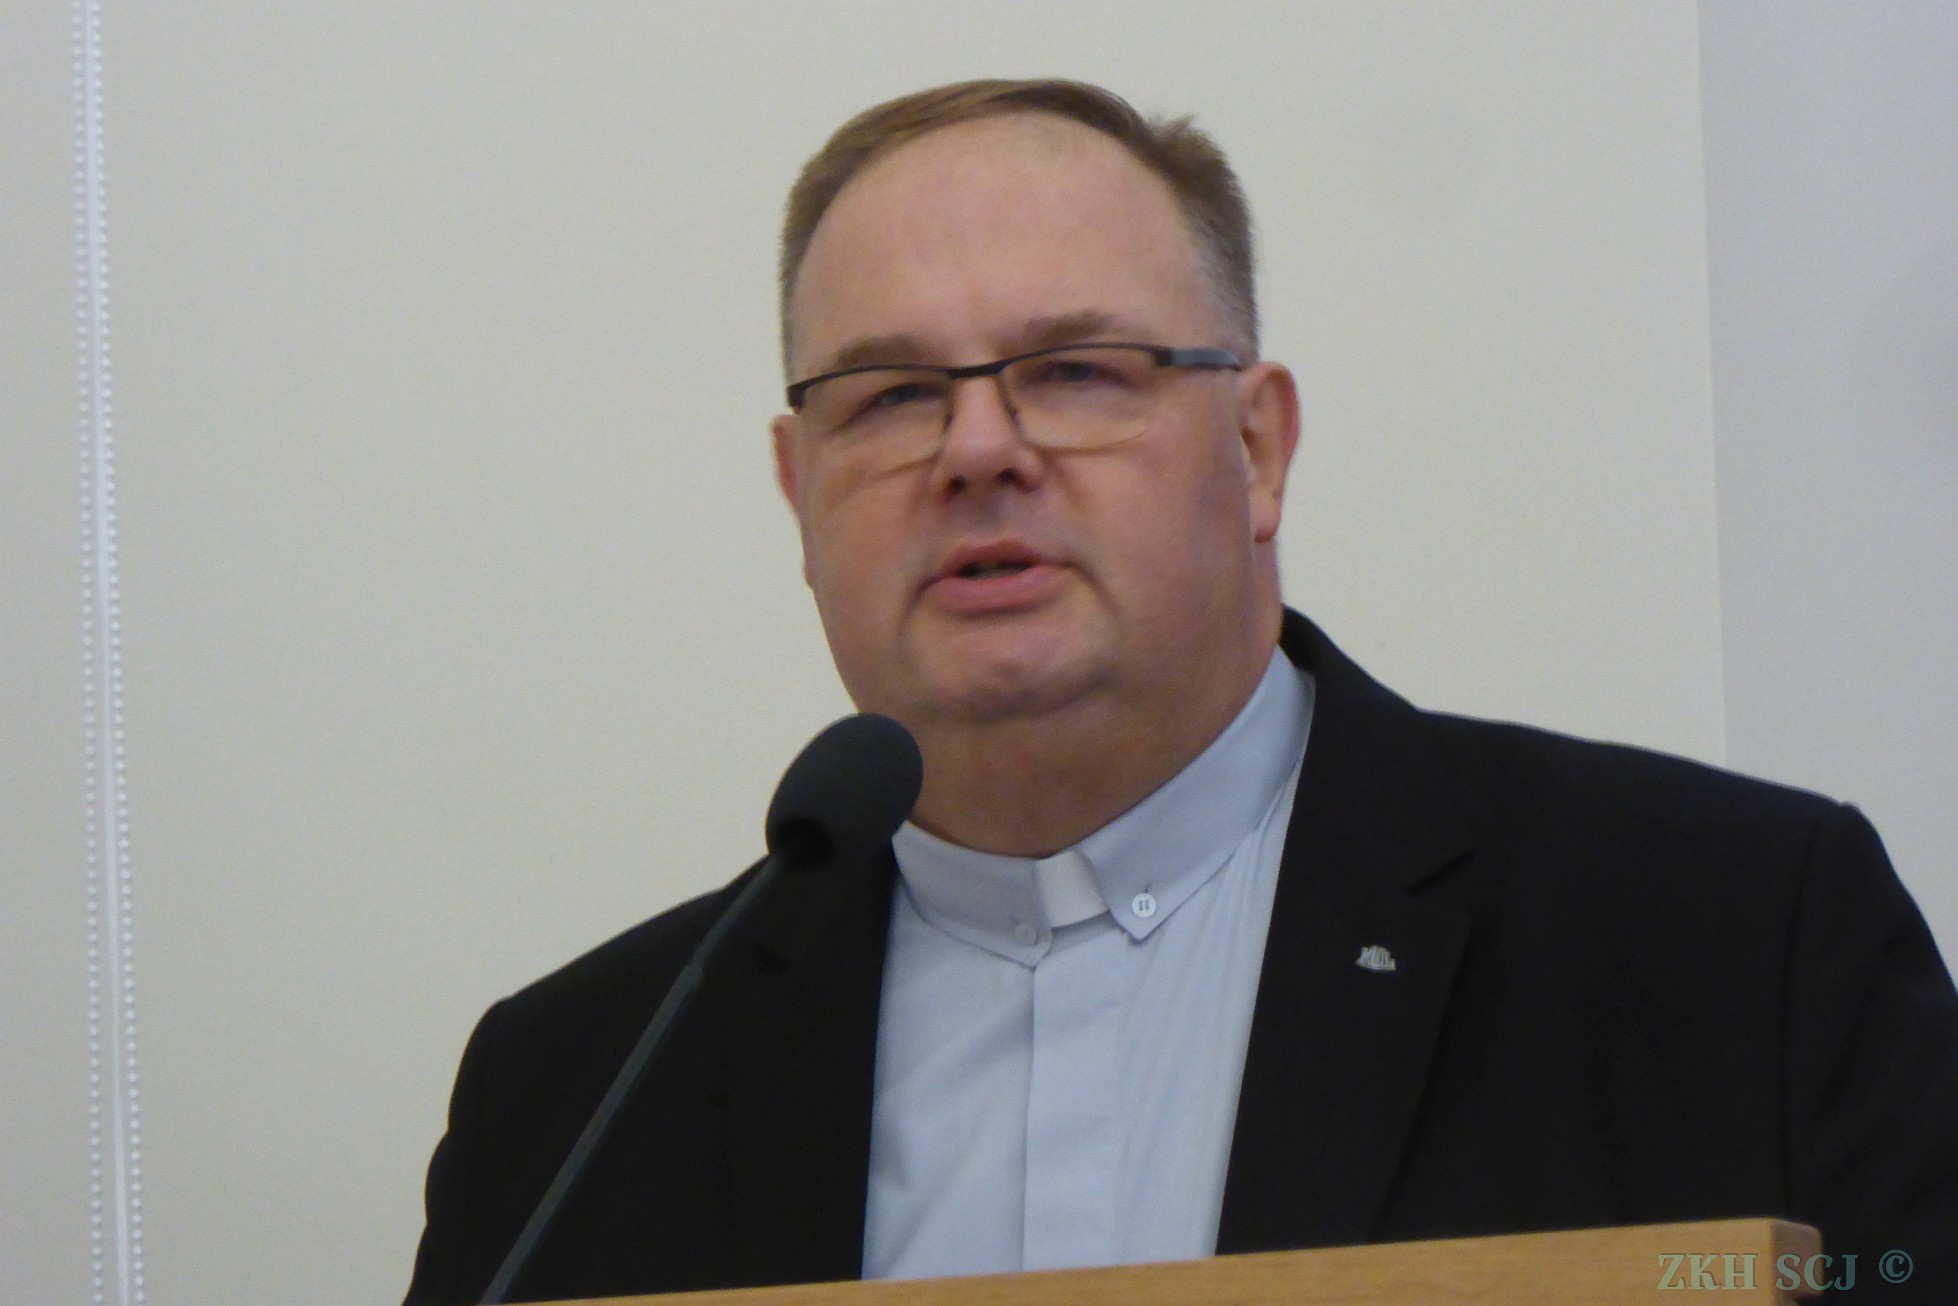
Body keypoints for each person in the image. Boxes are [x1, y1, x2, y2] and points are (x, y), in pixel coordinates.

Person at [405, 79, 1958, 1304]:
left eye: (1076, 370)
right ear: (797, 489)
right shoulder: (577, 1088)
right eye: (890, 396)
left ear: (1258, 448)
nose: (977, 449)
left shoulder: (1734, 936)